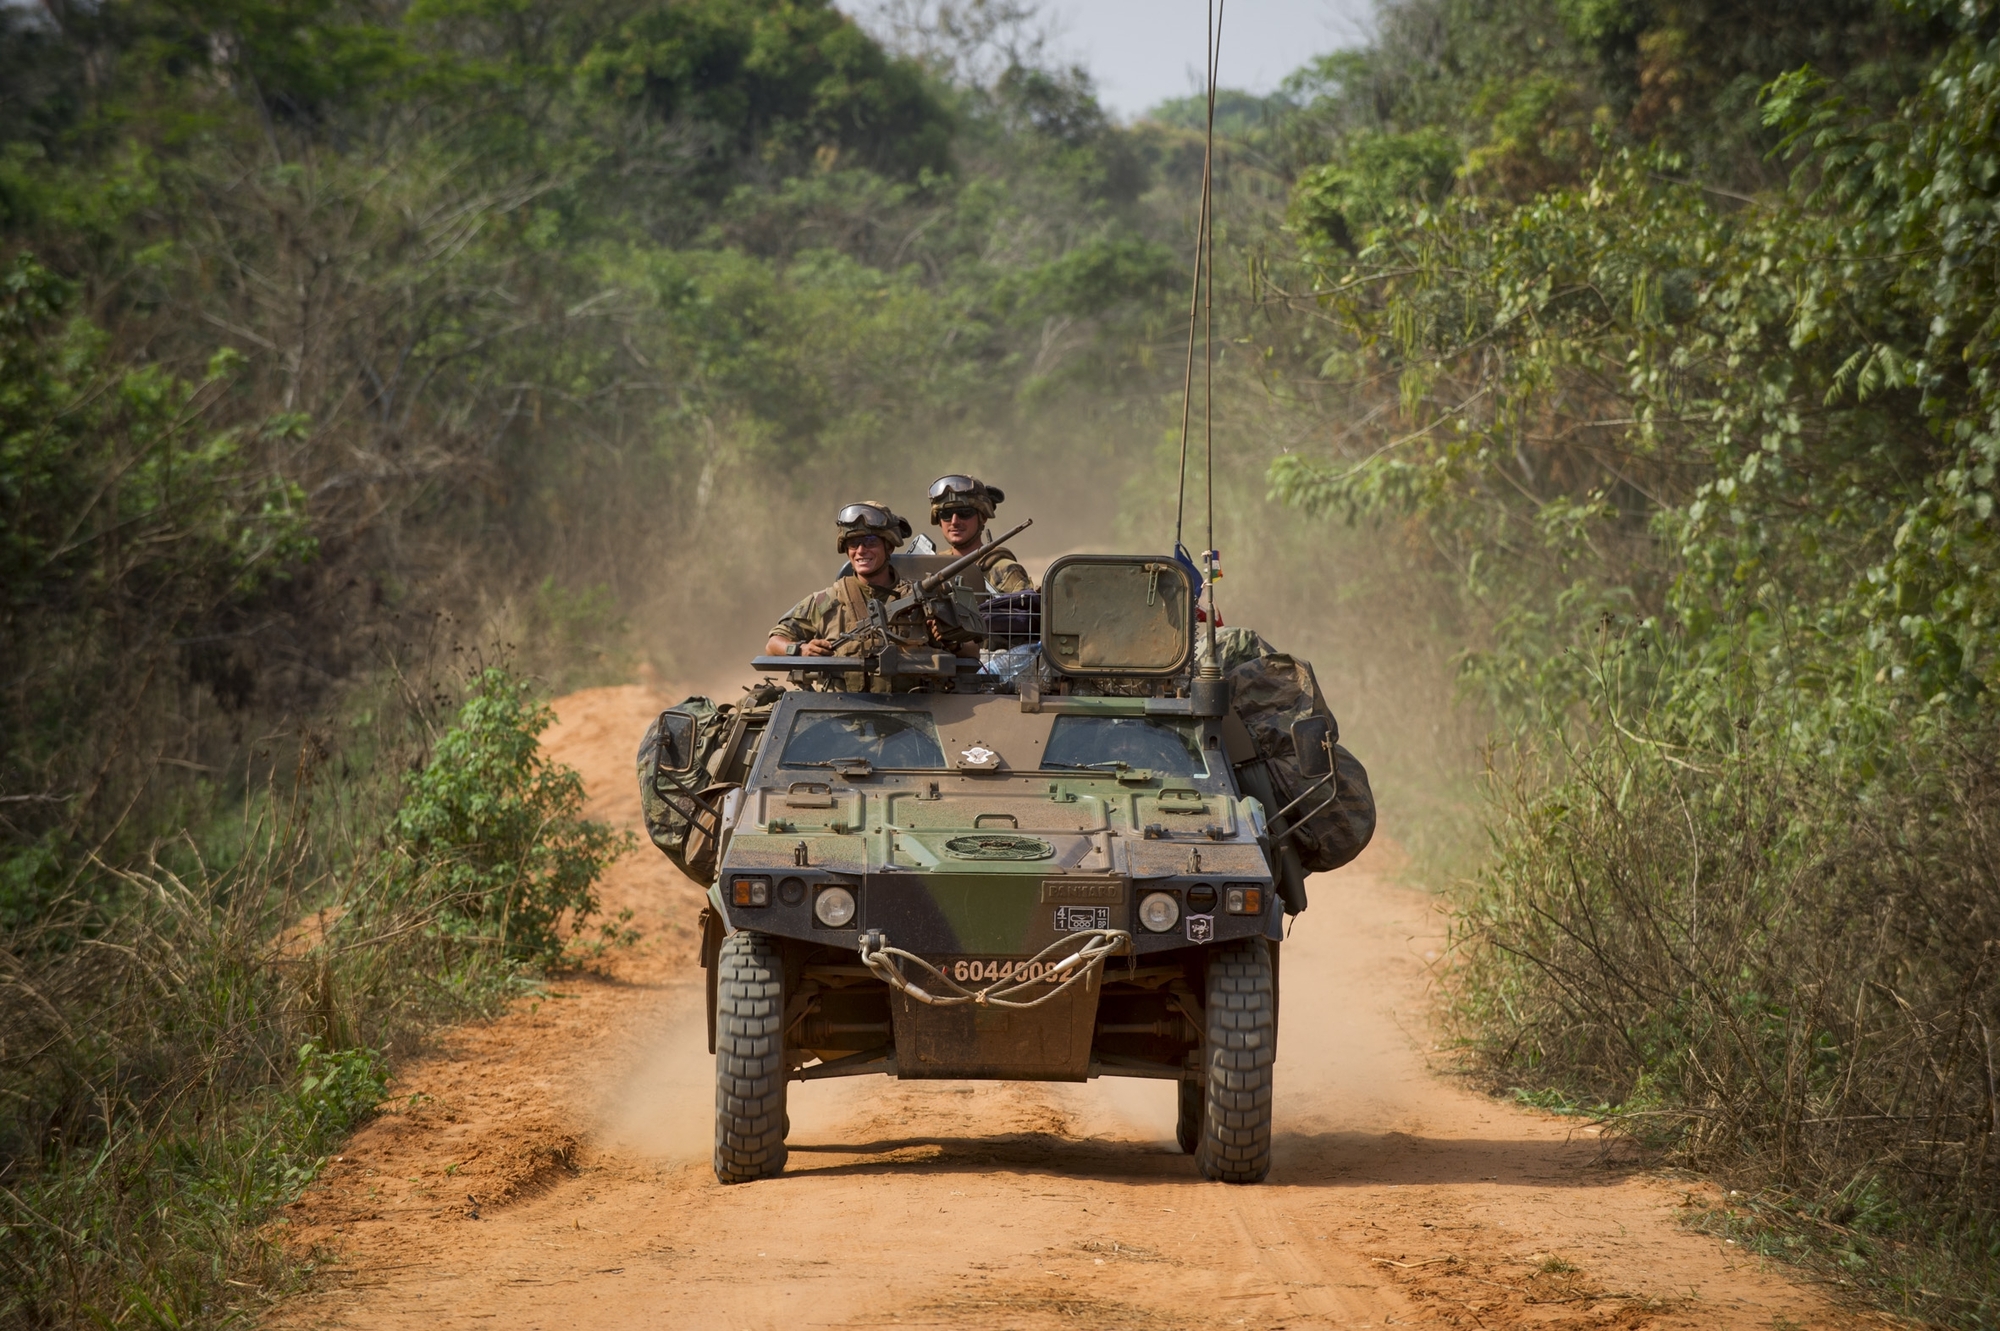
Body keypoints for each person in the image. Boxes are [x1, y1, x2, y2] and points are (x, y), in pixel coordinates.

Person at [766, 501, 978, 658]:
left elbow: (973, 653)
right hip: (846, 711)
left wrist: (951, 641)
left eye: (870, 542)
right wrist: (800, 649)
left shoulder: (922, 599)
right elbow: (774, 643)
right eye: (853, 543)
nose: (860, 551)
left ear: (889, 546)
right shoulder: (825, 602)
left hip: (915, 708)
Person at [927, 474, 1031, 598]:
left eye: (964, 513)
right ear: (939, 520)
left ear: (982, 517)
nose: (954, 521)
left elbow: (1024, 615)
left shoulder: (1005, 571)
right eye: (946, 514)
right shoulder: (931, 568)